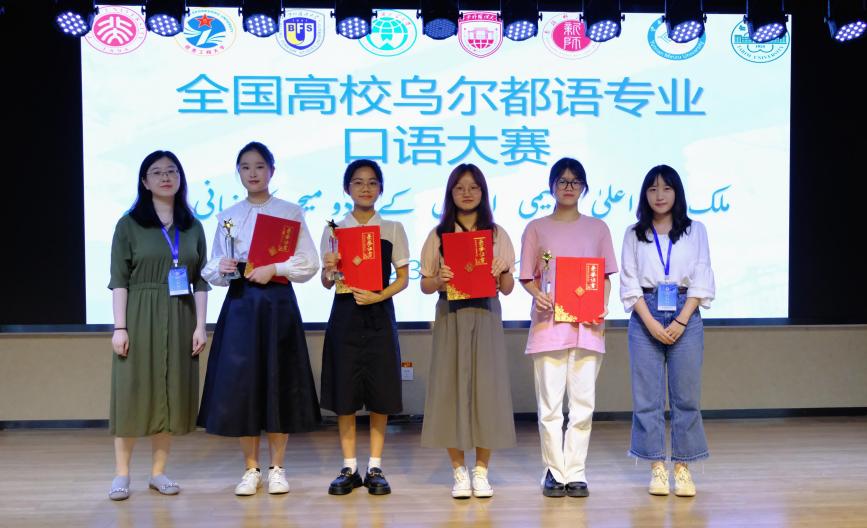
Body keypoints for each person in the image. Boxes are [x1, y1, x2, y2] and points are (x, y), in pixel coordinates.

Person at [198, 141, 321, 496]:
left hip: (278, 304)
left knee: (279, 380)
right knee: (244, 385)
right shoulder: (228, 216)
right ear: (238, 172)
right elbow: (213, 267)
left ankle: (277, 467)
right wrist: (222, 267)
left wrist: (275, 268)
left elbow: (309, 262)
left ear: (271, 170)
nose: (253, 173)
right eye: (245, 167)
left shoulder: (289, 212)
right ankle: (250, 469)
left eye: (259, 166)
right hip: (241, 305)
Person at [108, 150, 209, 500]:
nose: (166, 177)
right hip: (139, 313)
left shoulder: (192, 226)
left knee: (169, 391)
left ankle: (158, 472)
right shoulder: (129, 225)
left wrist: (200, 326)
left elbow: (201, 281)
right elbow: (119, 280)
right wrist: (120, 328)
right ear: (145, 181)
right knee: (131, 391)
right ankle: (121, 474)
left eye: (172, 171)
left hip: (181, 314)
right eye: (157, 172)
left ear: (180, 178)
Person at [519, 157, 618, 498]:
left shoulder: (598, 228)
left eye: (575, 181)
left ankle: (576, 471)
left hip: (588, 326)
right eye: (562, 181)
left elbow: (604, 277)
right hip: (549, 327)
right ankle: (553, 471)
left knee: (583, 406)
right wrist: (537, 295)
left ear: (584, 187)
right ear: (551, 187)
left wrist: (602, 306)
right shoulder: (536, 227)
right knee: (549, 407)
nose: (569, 187)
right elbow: (528, 277)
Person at [419, 163, 517, 499]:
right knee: (450, 389)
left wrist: (502, 271)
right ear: (450, 193)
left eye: (474, 187)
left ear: (483, 192)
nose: (467, 193)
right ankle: (459, 471)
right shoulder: (439, 234)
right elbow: (425, 285)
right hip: (451, 315)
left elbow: (507, 288)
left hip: (486, 314)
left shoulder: (496, 234)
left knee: (487, 390)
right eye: (460, 187)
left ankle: (481, 471)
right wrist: (439, 279)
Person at [620, 164, 715, 497]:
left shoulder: (695, 230)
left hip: (685, 311)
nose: (659, 195)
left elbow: (702, 277)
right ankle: (657, 467)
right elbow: (629, 281)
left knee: (686, 397)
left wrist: (681, 320)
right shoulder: (634, 233)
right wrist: (650, 322)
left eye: (666, 188)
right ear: (644, 195)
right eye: (652, 189)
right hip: (644, 312)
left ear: (677, 193)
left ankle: (683, 468)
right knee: (647, 398)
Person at [319, 159, 410, 496]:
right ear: (347, 189)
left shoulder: (393, 228)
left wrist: (379, 296)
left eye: (372, 182)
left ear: (381, 189)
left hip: (379, 314)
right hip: (345, 315)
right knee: (345, 392)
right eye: (358, 182)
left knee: (380, 392)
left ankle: (374, 466)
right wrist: (329, 269)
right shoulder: (334, 229)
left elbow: (403, 278)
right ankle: (349, 467)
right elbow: (327, 282)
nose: (365, 188)